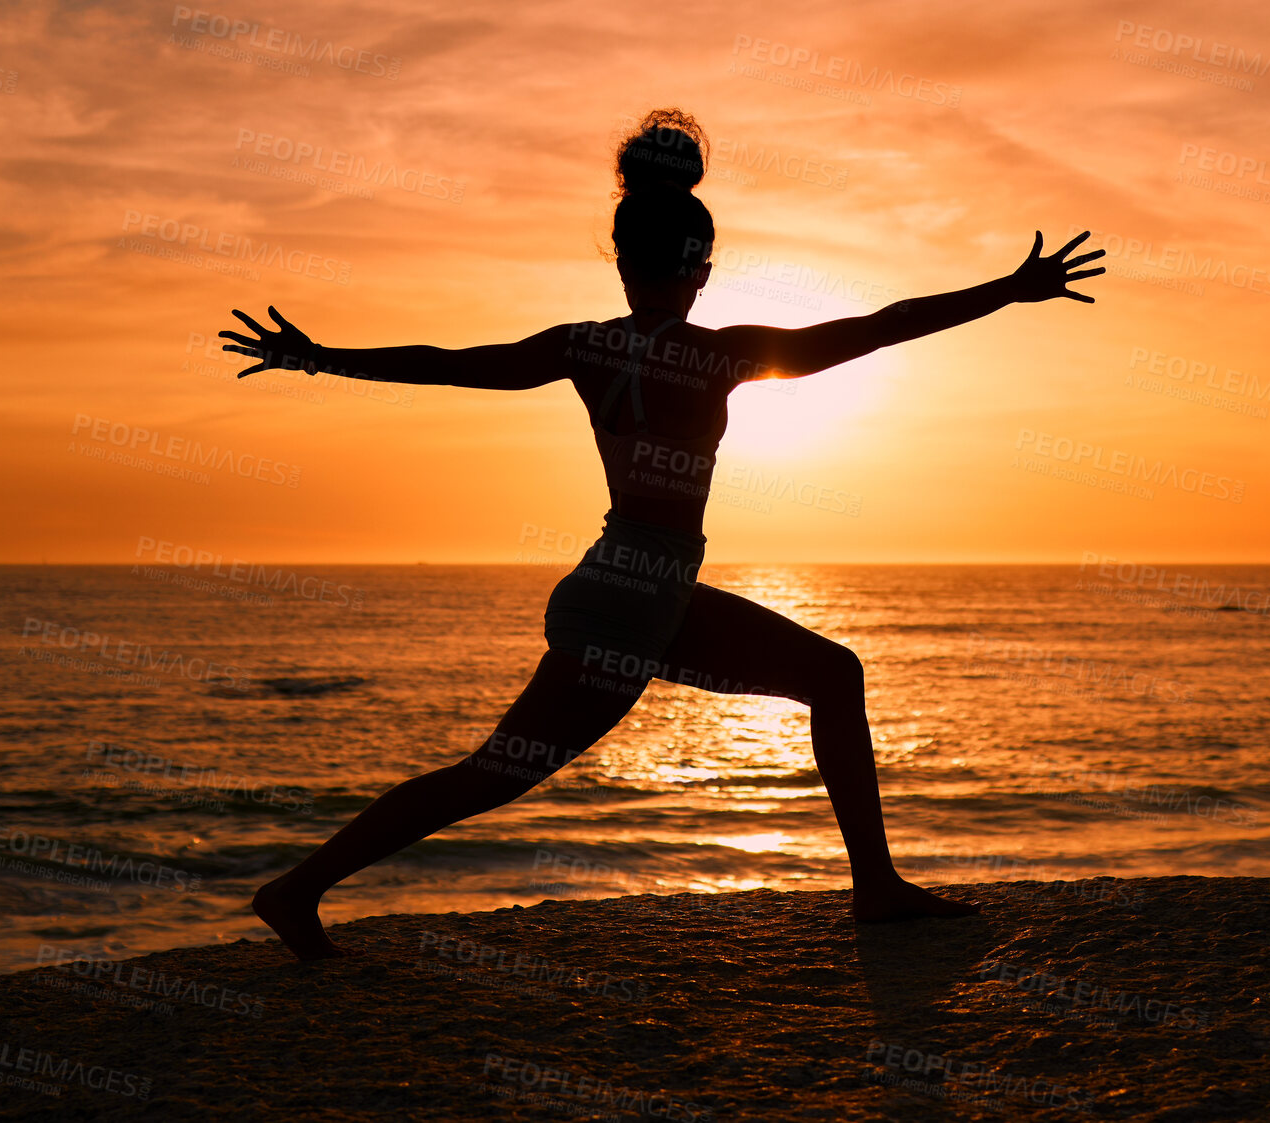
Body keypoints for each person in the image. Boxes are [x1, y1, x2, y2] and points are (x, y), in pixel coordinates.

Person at [220, 108, 1104, 959]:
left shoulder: (584, 347)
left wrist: (322, 356)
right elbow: (879, 327)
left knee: (831, 675)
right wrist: (1010, 290)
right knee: (496, 773)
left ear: (621, 263)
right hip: (632, 602)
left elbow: (452, 367)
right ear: (702, 269)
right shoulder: (720, 354)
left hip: (630, 585)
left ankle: (874, 888)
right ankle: (299, 887)